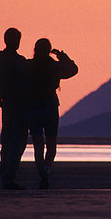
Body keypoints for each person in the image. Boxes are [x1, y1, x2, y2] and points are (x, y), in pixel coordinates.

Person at [27, 38, 78, 188]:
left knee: (38, 144)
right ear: (49, 50)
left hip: (34, 107)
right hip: (50, 105)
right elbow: (73, 69)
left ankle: (42, 172)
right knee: (51, 143)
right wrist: (61, 55)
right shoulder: (54, 66)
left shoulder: (29, 65)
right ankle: (47, 169)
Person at [0, 27, 28, 190]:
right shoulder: (19, 61)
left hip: (10, 105)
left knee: (9, 142)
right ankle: (8, 177)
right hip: (16, 105)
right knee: (16, 142)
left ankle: (7, 177)